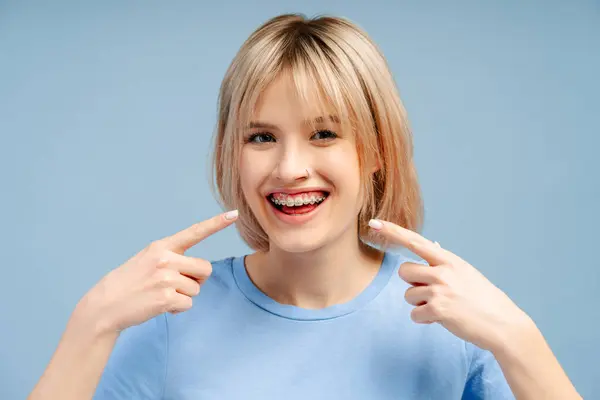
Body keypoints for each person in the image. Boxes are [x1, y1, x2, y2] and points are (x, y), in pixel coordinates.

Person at [29, 13, 581, 400]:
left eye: (323, 133)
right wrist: (93, 321)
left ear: (377, 151)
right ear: (232, 153)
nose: (290, 167)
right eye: (261, 137)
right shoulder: (173, 322)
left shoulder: (451, 324)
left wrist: (519, 338)